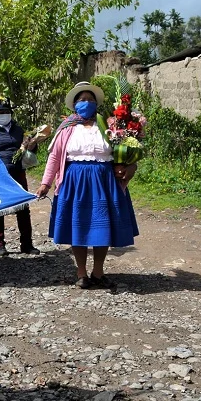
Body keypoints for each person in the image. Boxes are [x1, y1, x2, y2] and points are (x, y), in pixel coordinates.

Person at [36, 81, 139, 290]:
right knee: (78, 226)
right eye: (82, 100)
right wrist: (45, 183)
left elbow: (126, 152)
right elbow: (55, 158)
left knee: (103, 227)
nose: (87, 103)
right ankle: (81, 272)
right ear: (74, 104)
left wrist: (128, 167)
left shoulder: (109, 126)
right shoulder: (66, 129)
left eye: (90, 100)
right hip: (74, 181)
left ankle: (98, 272)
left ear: (96, 104)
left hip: (105, 181)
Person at [0, 98, 44, 256]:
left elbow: (29, 152)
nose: (4, 115)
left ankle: (27, 244)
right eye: (1, 112)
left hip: (18, 172)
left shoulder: (19, 130)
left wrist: (32, 145)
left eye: (7, 112)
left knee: (23, 208)